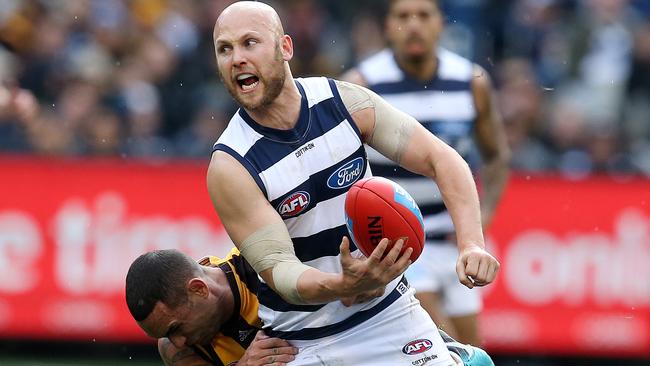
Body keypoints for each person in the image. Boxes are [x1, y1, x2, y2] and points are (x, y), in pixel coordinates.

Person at [206, 2, 499, 365]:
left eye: (250, 43)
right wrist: (344, 286)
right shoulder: (230, 164)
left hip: (390, 315)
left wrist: (472, 244)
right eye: (225, 48)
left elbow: (443, 158)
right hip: (303, 342)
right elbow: (281, 271)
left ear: (285, 48)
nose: (236, 58)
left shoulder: (342, 101)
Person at [342, 0, 510, 345]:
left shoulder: (471, 81)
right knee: (444, 345)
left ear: (441, 24)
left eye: (423, 15)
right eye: (403, 16)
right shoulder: (361, 84)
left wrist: (484, 219)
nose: (414, 24)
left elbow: (496, 157)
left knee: (471, 350)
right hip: (396, 245)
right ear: (388, 26)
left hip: (454, 242)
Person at [125, 248, 494, 366]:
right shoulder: (178, 350)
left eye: (176, 328)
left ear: (198, 289)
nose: (180, 341)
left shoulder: (270, 269)